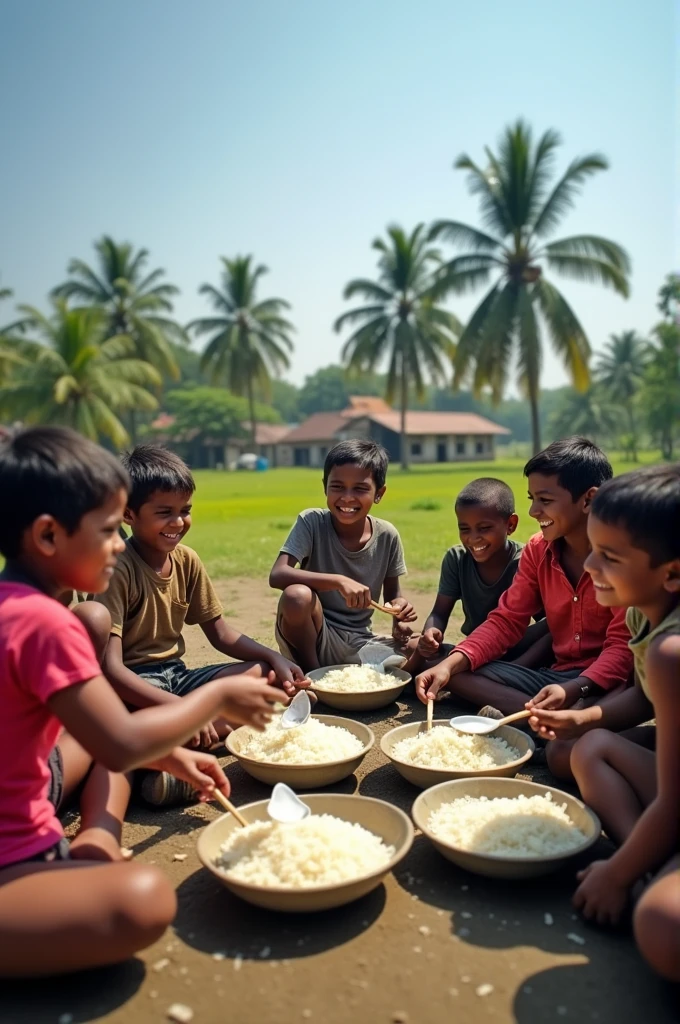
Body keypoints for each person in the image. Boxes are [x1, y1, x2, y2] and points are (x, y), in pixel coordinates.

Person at [0, 426, 284, 977]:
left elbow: (104, 734)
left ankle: (97, 842)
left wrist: (173, 755)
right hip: (13, 852)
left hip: (37, 784)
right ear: (48, 536)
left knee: (102, 741)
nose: (116, 545)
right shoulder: (42, 625)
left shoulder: (20, 607)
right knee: (145, 900)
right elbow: (124, 741)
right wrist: (219, 696)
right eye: (108, 530)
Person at [531, 464, 680, 982]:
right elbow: (641, 698)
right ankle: (640, 852)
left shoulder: (673, 650)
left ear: (674, 571)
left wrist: (615, 876)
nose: (589, 564)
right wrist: (582, 715)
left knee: (663, 927)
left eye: (609, 557)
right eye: (592, 548)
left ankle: (635, 866)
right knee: (583, 746)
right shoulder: (645, 610)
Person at [415, 438, 633, 766]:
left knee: (561, 758)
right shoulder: (537, 550)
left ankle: (539, 722)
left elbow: (620, 649)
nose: (533, 512)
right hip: (553, 678)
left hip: (603, 681)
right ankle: (542, 720)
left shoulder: (622, 557)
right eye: (532, 499)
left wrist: (576, 688)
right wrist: (450, 664)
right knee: (450, 669)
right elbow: (507, 620)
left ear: (589, 499)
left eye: (544, 500)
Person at [91, 445, 307, 757]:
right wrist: (184, 710)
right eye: (165, 513)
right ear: (128, 514)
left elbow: (221, 634)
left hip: (177, 676)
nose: (178, 522)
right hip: (133, 687)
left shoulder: (187, 560)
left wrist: (276, 658)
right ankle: (189, 738)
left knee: (266, 676)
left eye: (185, 511)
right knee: (128, 723)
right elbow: (110, 669)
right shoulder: (117, 567)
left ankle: (184, 739)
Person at [269, 439, 416, 671]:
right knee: (297, 596)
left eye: (360, 488)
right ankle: (313, 676)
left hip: (361, 641)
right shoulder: (312, 522)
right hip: (315, 637)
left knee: (429, 648)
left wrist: (399, 614)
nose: (347, 498)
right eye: (337, 486)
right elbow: (278, 575)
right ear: (325, 486)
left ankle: (360, 668)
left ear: (379, 493)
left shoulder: (387, 535)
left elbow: (392, 596)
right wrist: (338, 581)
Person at [402, 478, 550, 676]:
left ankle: (507, 673)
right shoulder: (456, 559)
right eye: (464, 529)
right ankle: (485, 674)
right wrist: (430, 634)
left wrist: (522, 663)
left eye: (484, 528)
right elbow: (439, 612)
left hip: (517, 649)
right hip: (474, 648)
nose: (472, 538)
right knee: (410, 644)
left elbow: (546, 625)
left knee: (447, 669)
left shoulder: (525, 561)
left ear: (511, 525)